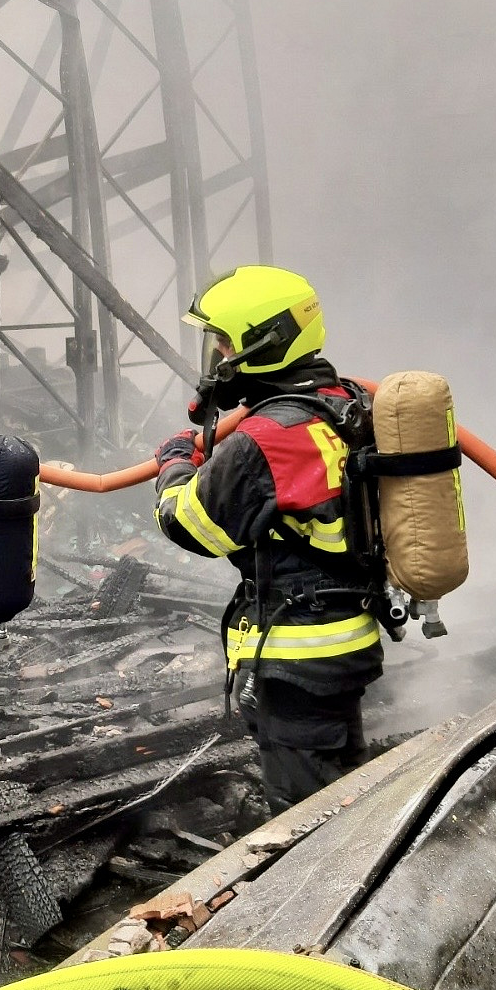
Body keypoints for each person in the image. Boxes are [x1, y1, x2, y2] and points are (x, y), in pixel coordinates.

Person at [153, 266, 384, 810]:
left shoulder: (268, 436)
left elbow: (188, 523)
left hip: (298, 650)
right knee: (341, 781)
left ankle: (325, 869)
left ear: (264, 343)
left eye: (225, 343)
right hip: (343, 633)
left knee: (306, 809)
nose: (218, 356)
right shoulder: (343, 402)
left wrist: (175, 463)